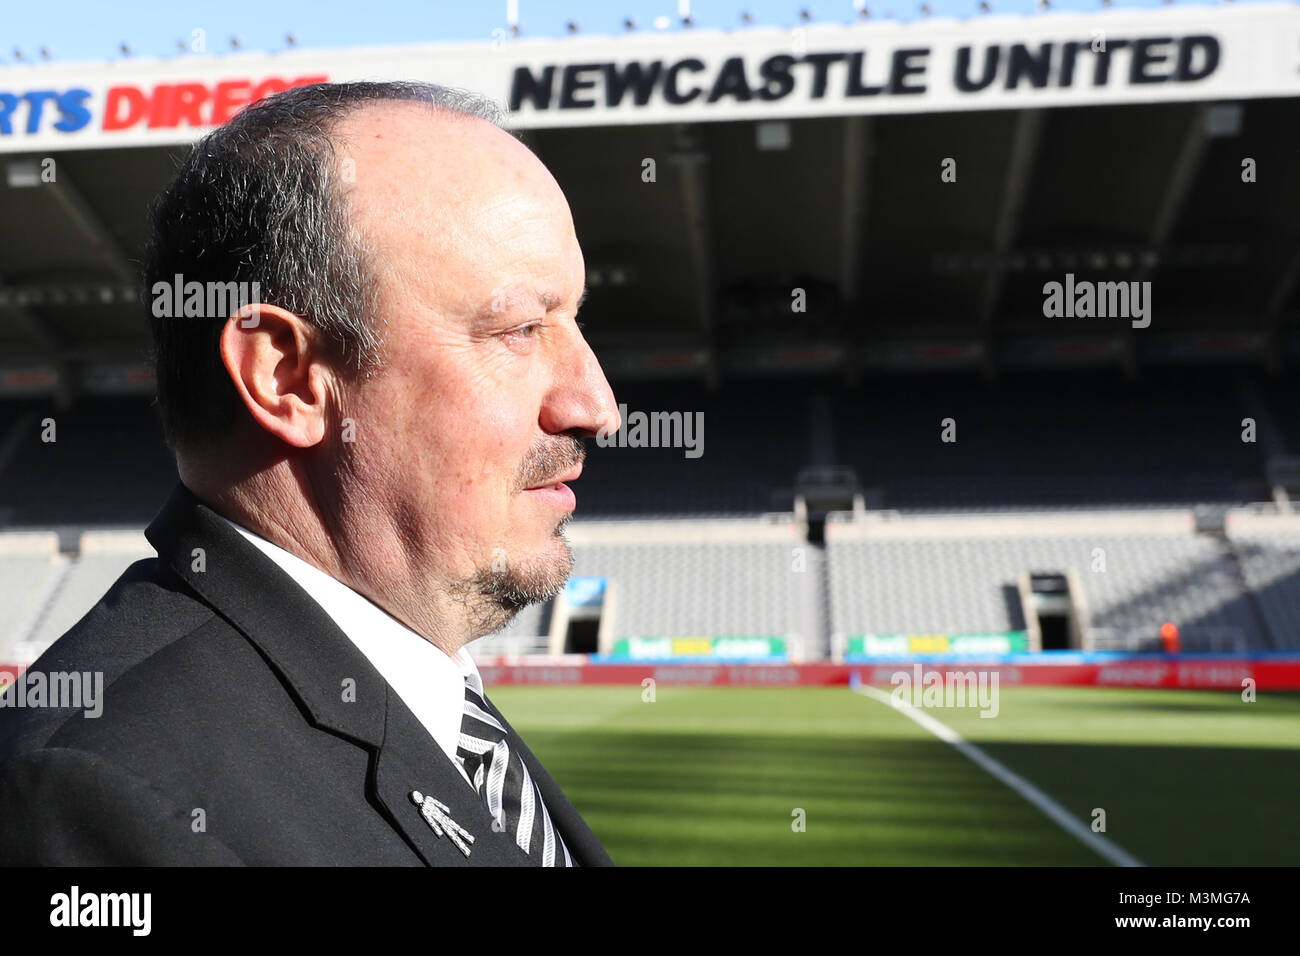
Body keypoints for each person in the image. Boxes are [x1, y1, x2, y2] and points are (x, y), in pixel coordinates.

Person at [0, 81, 621, 866]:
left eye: (575, 320)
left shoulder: (429, 703)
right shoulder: (100, 797)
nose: (597, 405)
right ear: (286, 377)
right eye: (520, 329)